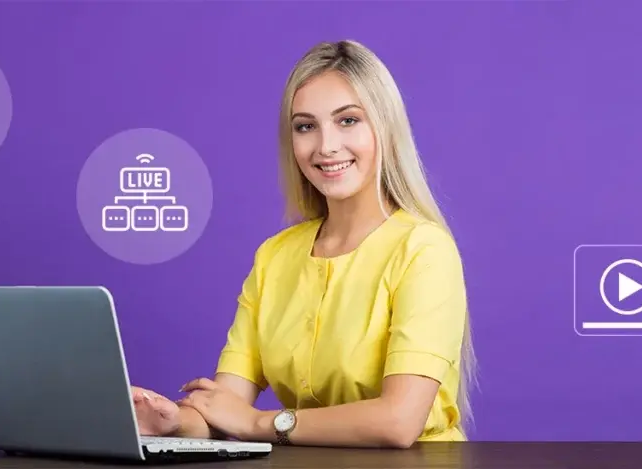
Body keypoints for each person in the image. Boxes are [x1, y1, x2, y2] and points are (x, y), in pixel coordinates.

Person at [132, 40, 475, 449]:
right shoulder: (275, 257)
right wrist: (173, 422)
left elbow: (397, 422)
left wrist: (262, 423)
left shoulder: (424, 250)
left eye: (348, 121)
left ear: (385, 127)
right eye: (305, 126)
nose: (326, 146)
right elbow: (227, 408)